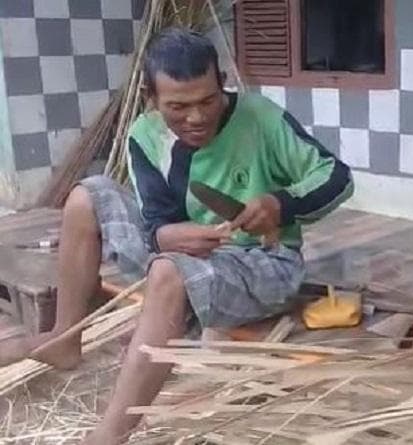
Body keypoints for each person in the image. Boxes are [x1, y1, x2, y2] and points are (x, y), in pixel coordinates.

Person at [0, 28, 353, 444]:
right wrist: (165, 236)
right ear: (151, 98)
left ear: (222, 82)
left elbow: (337, 177)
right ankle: (64, 338)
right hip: (186, 258)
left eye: (208, 101)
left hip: (264, 263)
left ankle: (110, 434)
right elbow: (155, 220)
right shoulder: (145, 135)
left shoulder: (261, 117)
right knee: (86, 196)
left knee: (168, 272)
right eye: (178, 107)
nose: (197, 118)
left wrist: (281, 204)